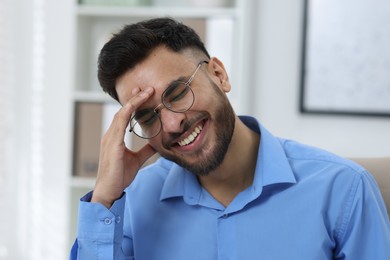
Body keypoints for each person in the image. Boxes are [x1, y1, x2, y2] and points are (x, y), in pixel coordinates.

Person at [70, 17, 390, 260]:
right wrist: (104, 198)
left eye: (178, 93)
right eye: (147, 116)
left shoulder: (343, 188)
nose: (172, 123)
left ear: (219, 74)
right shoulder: (130, 204)